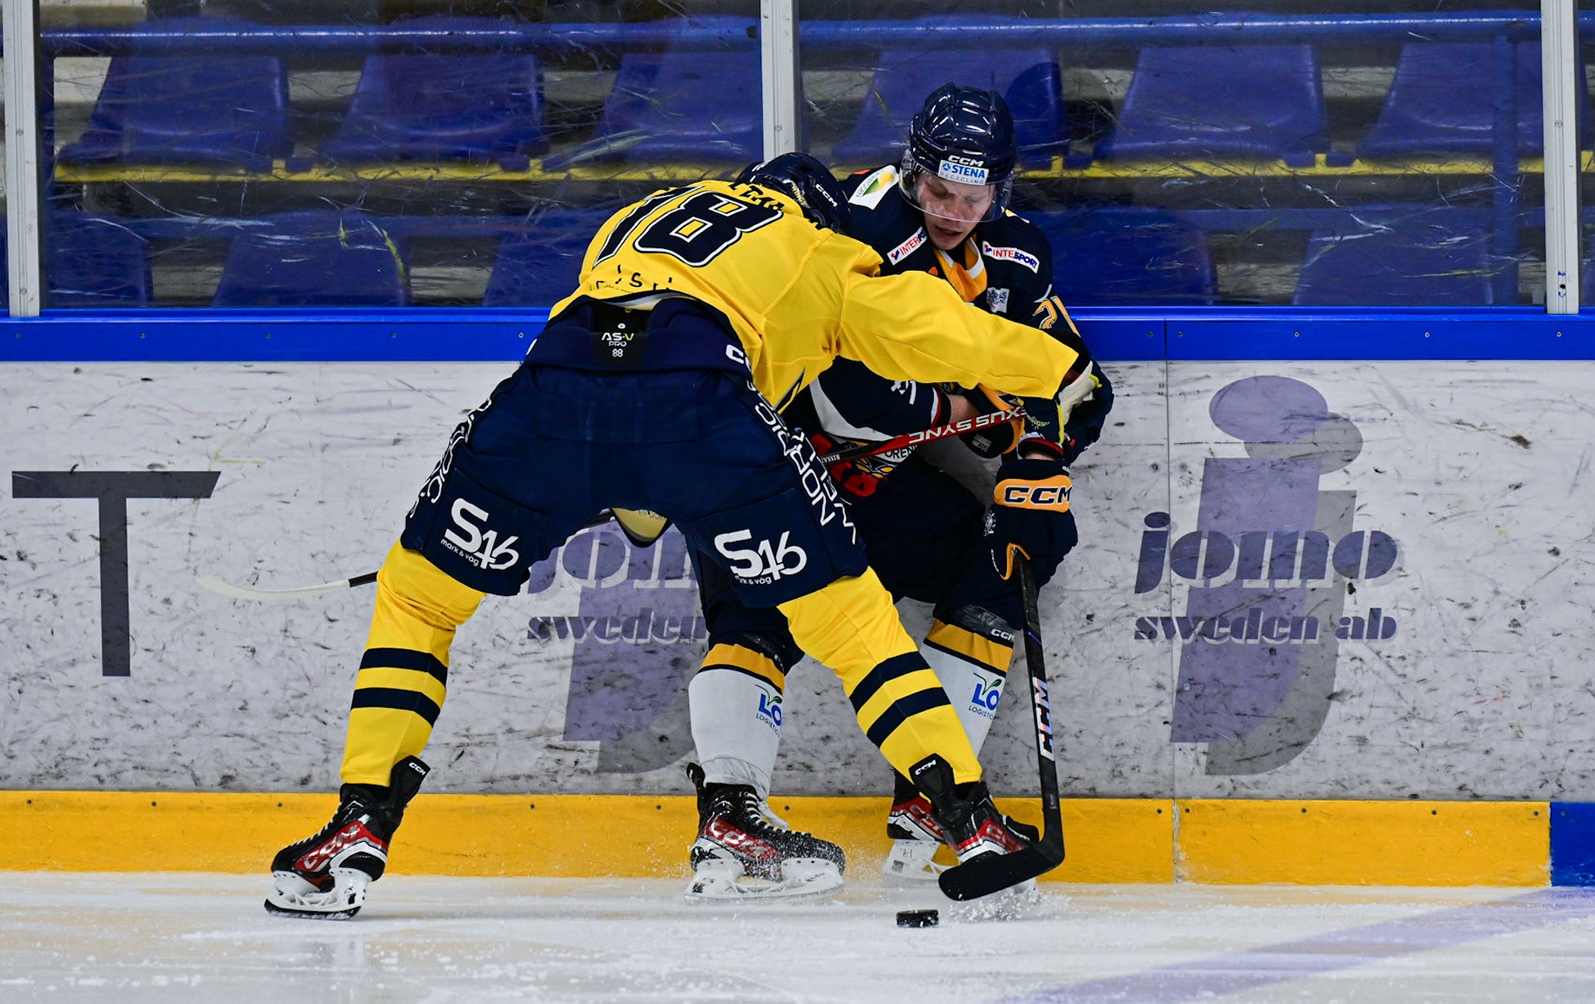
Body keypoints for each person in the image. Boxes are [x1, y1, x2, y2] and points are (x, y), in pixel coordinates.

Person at [264, 153, 1097, 919]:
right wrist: (1058, 375)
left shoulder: (639, 216)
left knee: (417, 600)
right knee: (852, 623)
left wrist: (607, 480)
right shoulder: (814, 246)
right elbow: (935, 329)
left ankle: (356, 823)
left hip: (550, 395)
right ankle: (968, 820)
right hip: (700, 408)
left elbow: (614, 384)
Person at [683, 86, 1112, 898]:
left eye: (974, 198)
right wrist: (960, 411)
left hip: (877, 485)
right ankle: (731, 815)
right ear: (912, 170)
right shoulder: (849, 224)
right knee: (757, 614)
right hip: (770, 466)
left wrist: (1038, 456)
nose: (954, 213)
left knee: (1023, 541)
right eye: (939, 192)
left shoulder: (1016, 254)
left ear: (1002, 188)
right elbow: (846, 392)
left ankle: (935, 796)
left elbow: (1076, 380)